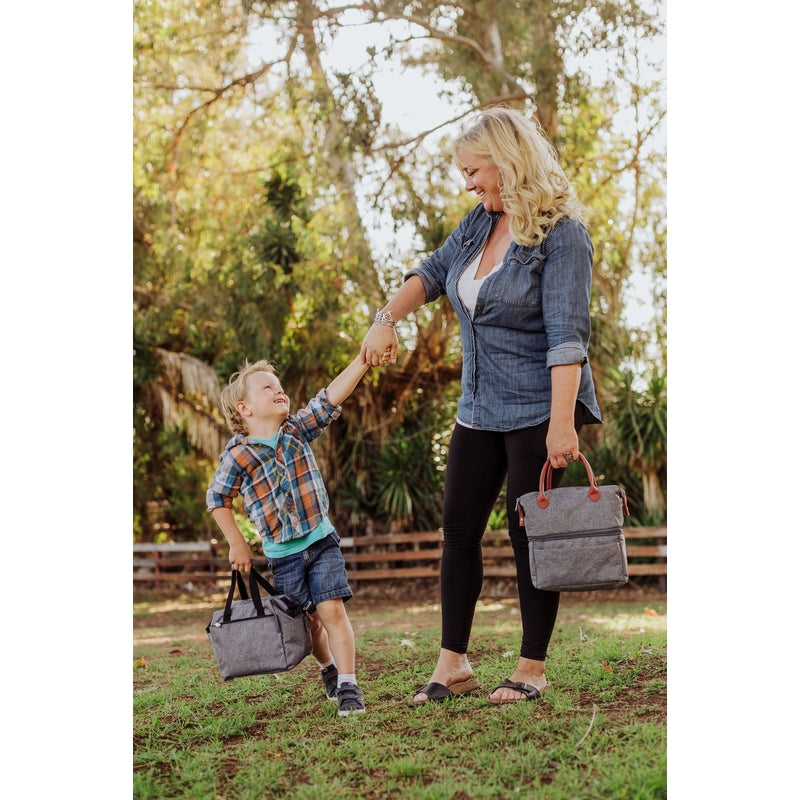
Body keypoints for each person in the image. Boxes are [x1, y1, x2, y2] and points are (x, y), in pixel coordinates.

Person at [360, 107, 603, 706]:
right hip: (477, 407)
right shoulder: (478, 223)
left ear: (508, 160)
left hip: (536, 410)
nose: (468, 183)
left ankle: (531, 668)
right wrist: (386, 319)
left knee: (532, 539)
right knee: (459, 534)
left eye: (474, 170)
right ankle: (454, 663)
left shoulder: (562, 234)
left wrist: (562, 424)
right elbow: (434, 272)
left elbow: (567, 337)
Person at [206, 353, 385, 717]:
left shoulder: (296, 430)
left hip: (321, 542)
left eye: (280, 386)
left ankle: (349, 685)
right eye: (267, 387)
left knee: (331, 610)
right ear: (245, 408)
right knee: (310, 624)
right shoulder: (238, 456)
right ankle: (329, 670)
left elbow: (331, 397)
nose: (279, 390)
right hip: (282, 555)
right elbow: (217, 499)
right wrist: (237, 542)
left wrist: (363, 360)